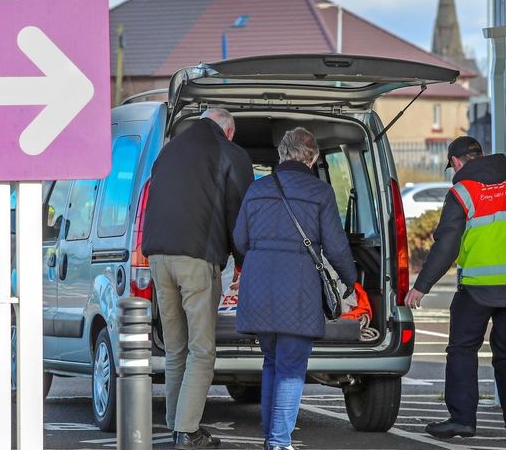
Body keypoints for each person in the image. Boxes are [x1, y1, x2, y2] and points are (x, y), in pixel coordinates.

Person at [404, 136, 506, 447]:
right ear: (480, 155)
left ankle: (462, 419)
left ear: (456, 162)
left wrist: (421, 287)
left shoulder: (462, 192)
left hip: (477, 288)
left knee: (462, 350)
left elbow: (447, 245)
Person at [233, 128, 357, 450]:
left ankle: (271, 435)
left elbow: (240, 240)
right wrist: (349, 280)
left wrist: (262, 259)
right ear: (313, 158)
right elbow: (336, 246)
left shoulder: (256, 190)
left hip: (258, 286)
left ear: (281, 155)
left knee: (272, 360)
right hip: (298, 286)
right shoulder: (320, 192)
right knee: (291, 366)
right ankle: (278, 441)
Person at [142, 108, 254, 449]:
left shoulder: (168, 150)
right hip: (196, 258)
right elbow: (241, 214)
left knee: (175, 347)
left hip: (158, 257)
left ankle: (178, 427)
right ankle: (188, 432)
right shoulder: (230, 153)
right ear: (229, 131)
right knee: (202, 350)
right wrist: (243, 262)